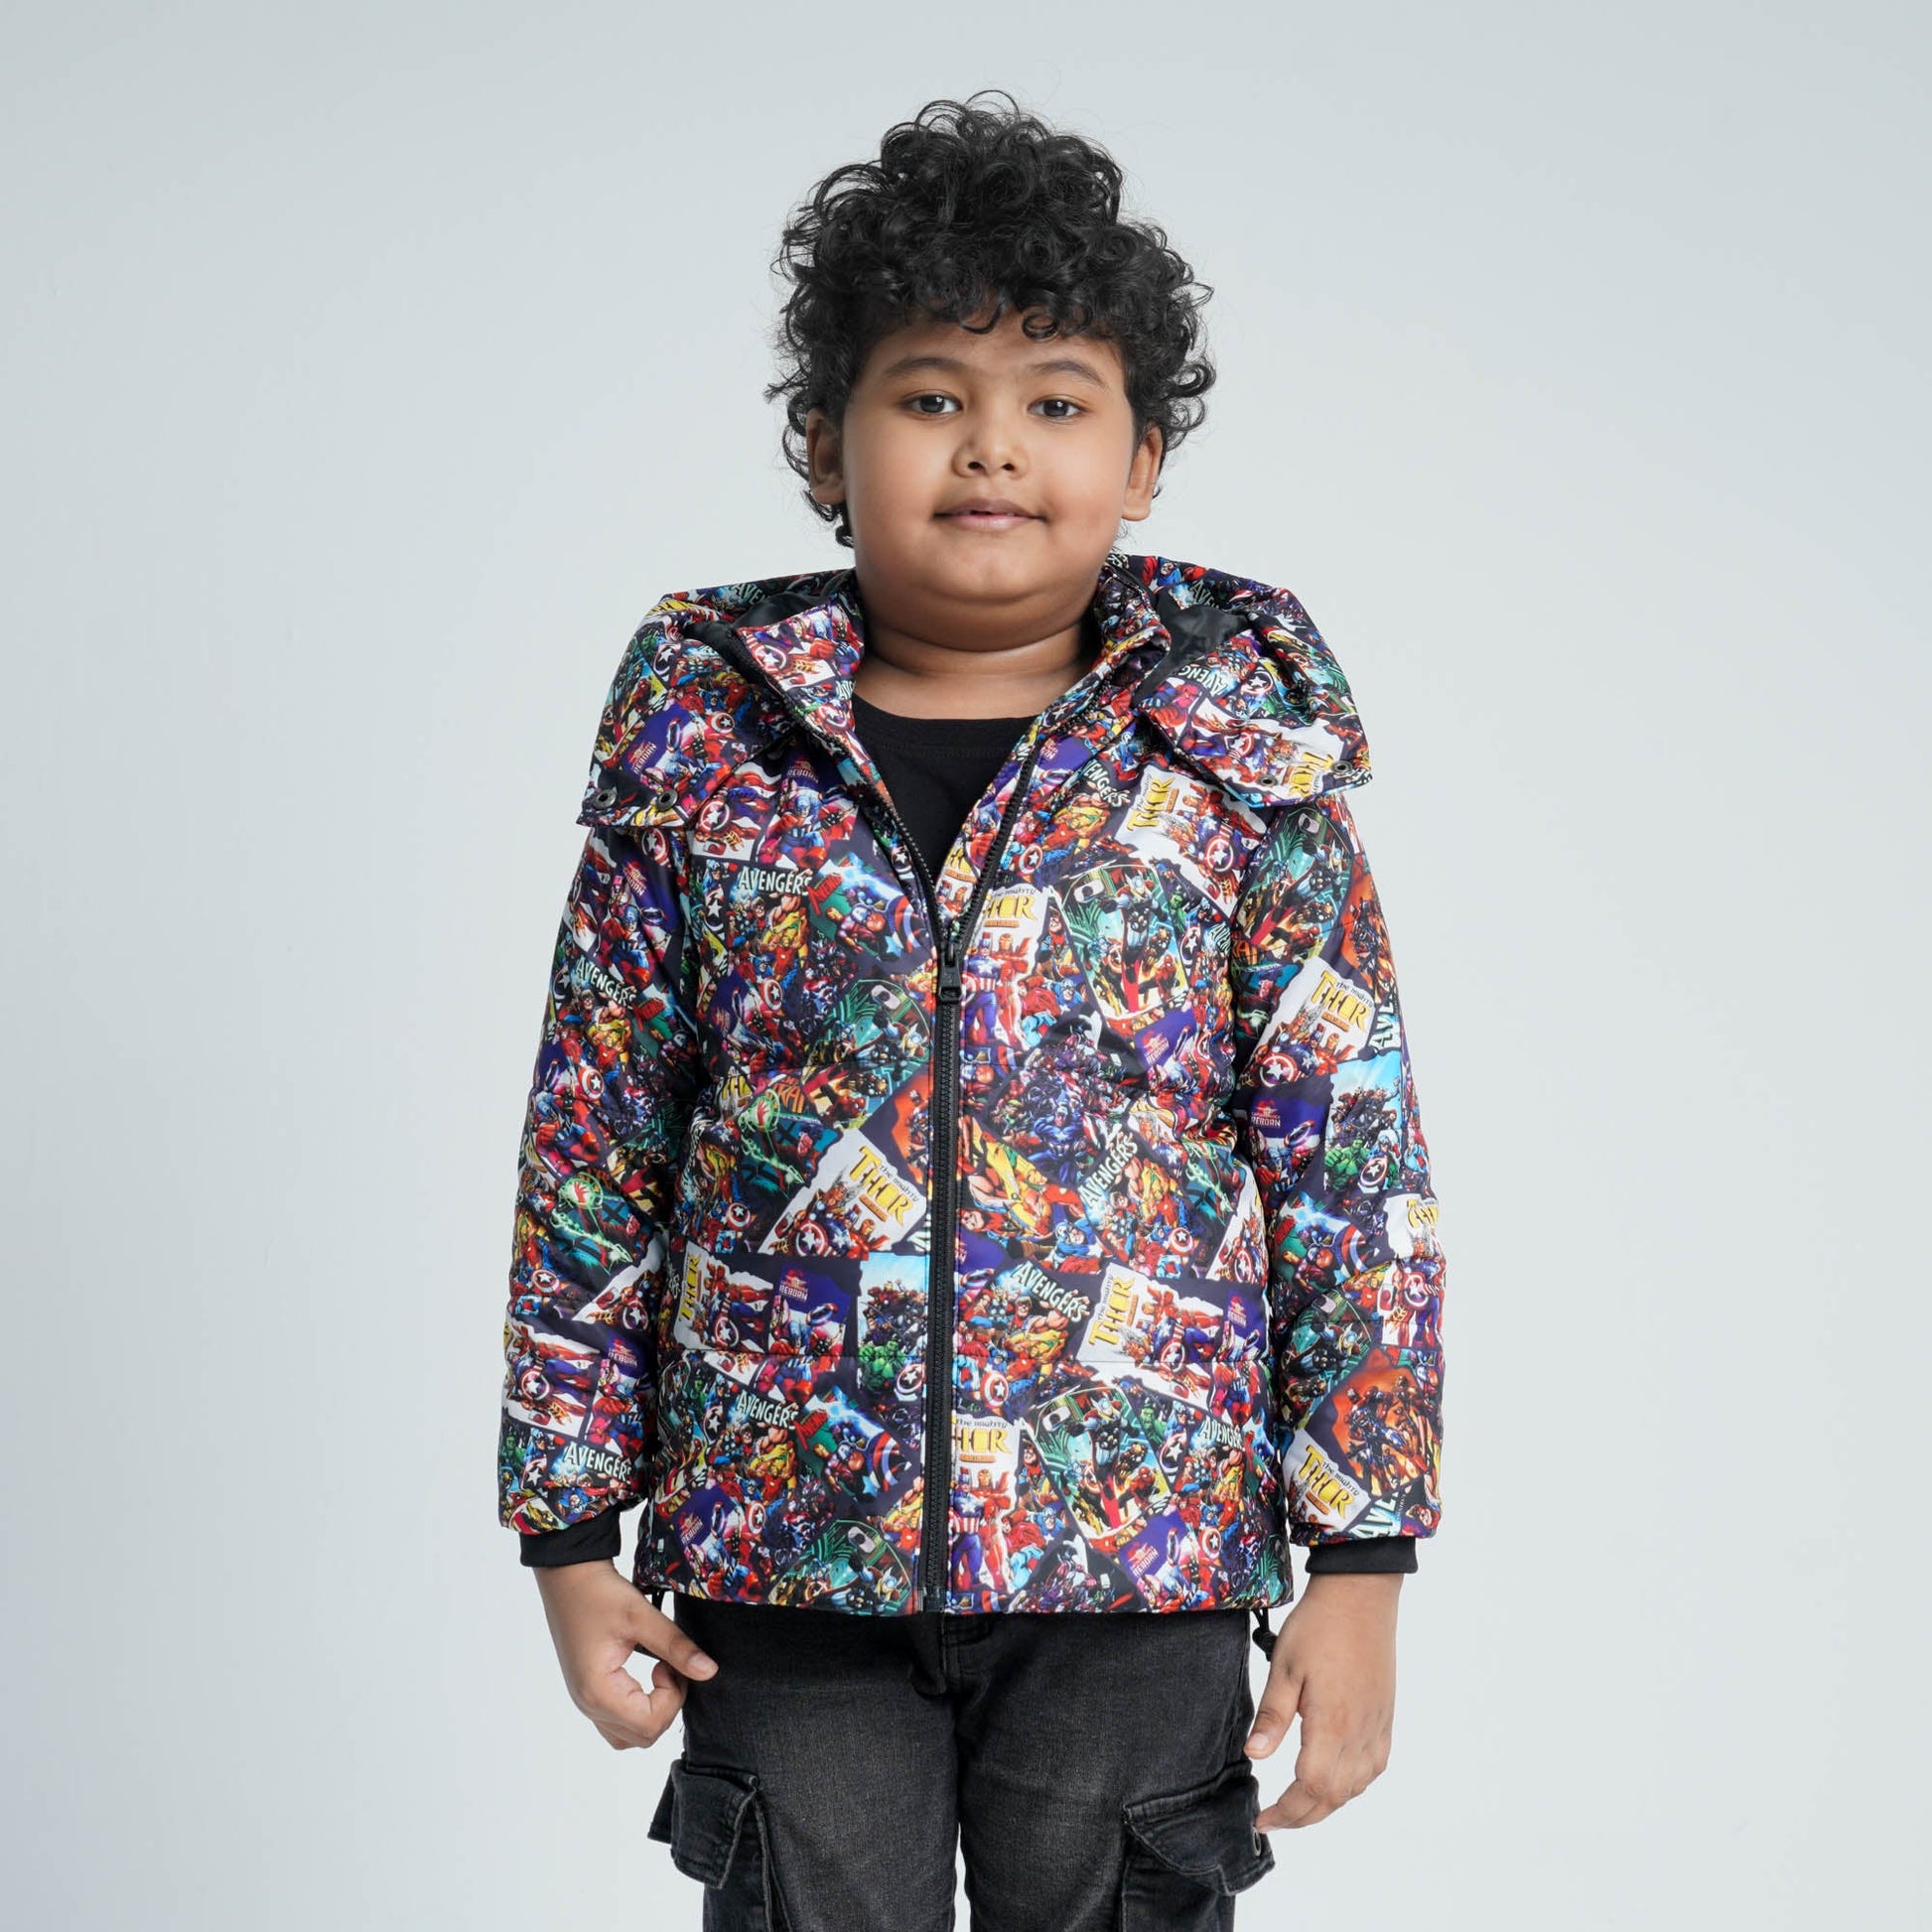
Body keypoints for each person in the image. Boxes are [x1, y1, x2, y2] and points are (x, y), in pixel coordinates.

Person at [495, 90, 1448, 1932]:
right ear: (822, 440)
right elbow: (593, 1147)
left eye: (1056, 402)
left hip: (1138, 1562)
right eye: (929, 395)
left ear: (1143, 458)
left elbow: (1352, 1169)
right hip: (784, 1562)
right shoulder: (707, 758)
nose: (993, 445)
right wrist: (566, 1530)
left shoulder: (1231, 766)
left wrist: (1361, 1557)